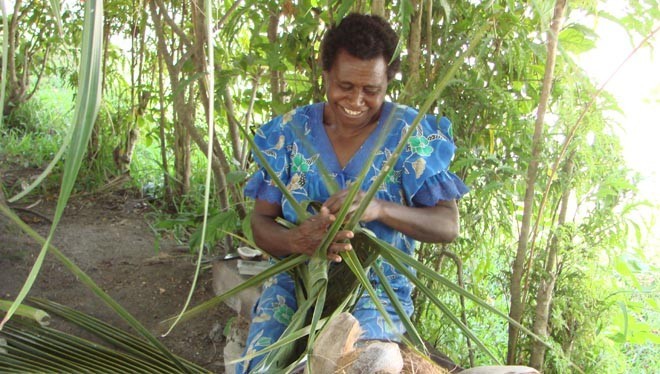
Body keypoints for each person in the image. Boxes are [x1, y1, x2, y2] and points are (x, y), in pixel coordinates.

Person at [238, 13, 469, 372]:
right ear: (326, 74)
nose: (357, 100)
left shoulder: (410, 135)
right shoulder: (288, 134)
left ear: (387, 83)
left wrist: (380, 209)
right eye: (345, 86)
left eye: (372, 90)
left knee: (357, 364)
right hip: (295, 284)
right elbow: (260, 222)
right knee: (263, 365)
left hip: (375, 292)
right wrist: (299, 240)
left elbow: (447, 225)